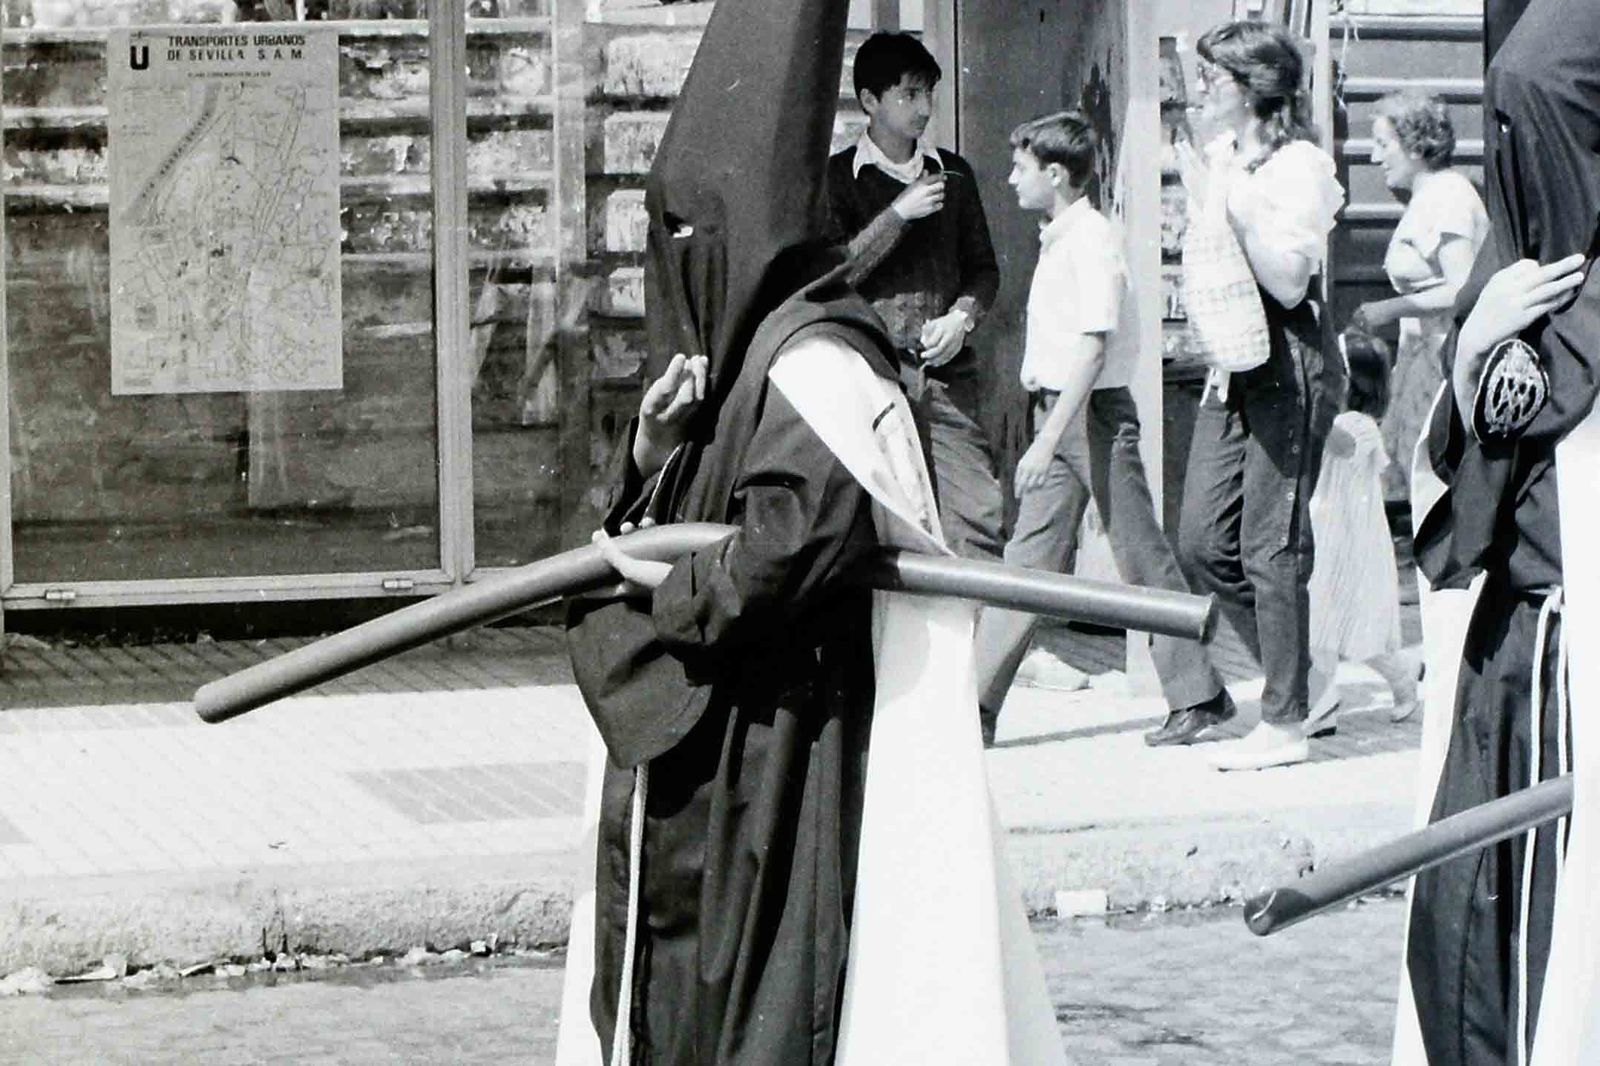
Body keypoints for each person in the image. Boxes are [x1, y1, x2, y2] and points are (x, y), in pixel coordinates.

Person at [557, 2, 1064, 1062]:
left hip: (787, 754)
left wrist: (645, 607)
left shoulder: (820, 363)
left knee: (775, 1011)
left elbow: (781, 548)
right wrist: (651, 461)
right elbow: (683, 512)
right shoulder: (739, 354)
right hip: (724, 750)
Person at [1393, 0, 1600, 1060]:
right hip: (1511, 673)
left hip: (1569, 681)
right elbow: (1449, 480)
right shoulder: (1523, 285)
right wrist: (1473, 349)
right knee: (1474, 954)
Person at [970, 110, 1232, 748]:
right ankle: (972, 709)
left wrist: (1044, 437)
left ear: (1055, 174)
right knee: (1024, 564)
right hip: (1063, 417)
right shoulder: (1063, 235)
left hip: (1088, 416)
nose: (1010, 180)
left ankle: (1199, 696)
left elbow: (1092, 348)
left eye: (1021, 169)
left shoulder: (1091, 240)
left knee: (1141, 556)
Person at [1171, 20, 1344, 772]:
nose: (1205, 90)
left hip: (1289, 351)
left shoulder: (1298, 166)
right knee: (1203, 543)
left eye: (1215, 79)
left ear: (1250, 88)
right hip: (1232, 358)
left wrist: (1231, 202)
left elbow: (1288, 280)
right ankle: (1302, 673)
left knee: (1271, 546)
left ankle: (1285, 721)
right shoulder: (1222, 155)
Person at [826, 31, 1005, 563]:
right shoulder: (837, 179)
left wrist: (962, 318)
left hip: (947, 379)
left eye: (928, 93)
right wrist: (898, 214)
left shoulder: (953, 173)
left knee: (976, 517)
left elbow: (984, 271)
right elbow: (833, 275)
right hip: (869, 379)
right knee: (872, 529)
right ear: (870, 102)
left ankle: (980, 646)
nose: (924, 108)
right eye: (909, 95)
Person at [1350, 91, 1488, 501]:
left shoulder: (1447, 197)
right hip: (1424, 359)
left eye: (1383, 144)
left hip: (1447, 359)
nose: (1375, 158)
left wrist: (1387, 309)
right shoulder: (1429, 197)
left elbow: (1462, 288)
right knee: (1413, 480)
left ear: (1414, 143)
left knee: (1431, 481)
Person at [1301, 331, 1420, 738]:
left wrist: (1311, 405)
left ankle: (1404, 681)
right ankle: (1323, 704)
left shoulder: (1359, 425)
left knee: (1364, 635)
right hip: (1327, 531)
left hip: (1350, 540)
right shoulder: (1342, 420)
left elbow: (1340, 444)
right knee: (1321, 622)